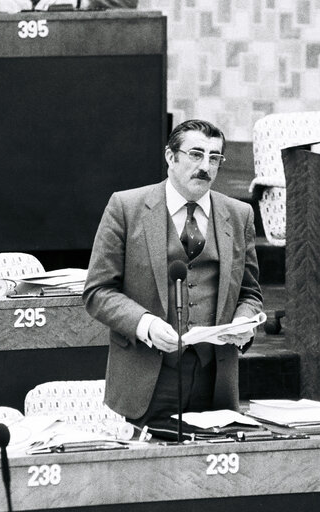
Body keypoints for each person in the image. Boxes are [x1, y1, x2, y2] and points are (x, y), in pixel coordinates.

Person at [83, 119, 263, 427]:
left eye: (214, 157)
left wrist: (245, 321)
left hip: (215, 377)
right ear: (171, 157)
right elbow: (98, 292)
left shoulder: (239, 214)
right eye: (196, 154)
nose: (206, 166)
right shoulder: (126, 207)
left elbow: (249, 293)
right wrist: (146, 324)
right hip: (150, 377)